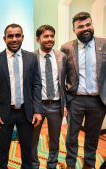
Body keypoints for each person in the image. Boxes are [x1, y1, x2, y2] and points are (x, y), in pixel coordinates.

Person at [0, 23, 42, 169]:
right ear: (4, 38)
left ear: (22, 37)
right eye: (10, 36)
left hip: (26, 111)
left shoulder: (31, 57)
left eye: (17, 35)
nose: (14, 39)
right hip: (5, 113)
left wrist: (37, 110)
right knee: (3, 148)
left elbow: (36, 85)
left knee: (27, 148)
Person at [61, 11, 106, 169]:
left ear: (92, 25)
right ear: (74, 30)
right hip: (75, 100)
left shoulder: (104, 43)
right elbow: (62, 76)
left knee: (93, 137)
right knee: (72, 136)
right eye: (80, 26)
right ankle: (70, 164)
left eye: (88, 24)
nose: (85, 28)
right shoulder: (66, 48)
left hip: (98, 101)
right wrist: (64, 102)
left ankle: (89, 165)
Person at [32, 25, 67, 169]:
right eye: (46, 36)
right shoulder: (30, 57)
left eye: (52, 36)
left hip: (55, 105)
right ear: (38, 39)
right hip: (37, 106)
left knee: (55, 139)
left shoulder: (62, 57)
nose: (49, 39)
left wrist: (64, 104)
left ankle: (52, 164)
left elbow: (64, 82)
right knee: (32, 139)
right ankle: (33, 164)